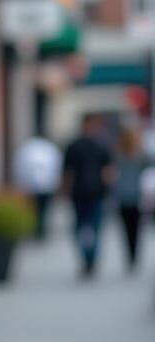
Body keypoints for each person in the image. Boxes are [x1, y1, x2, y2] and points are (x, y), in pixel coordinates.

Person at [62, 113, 113, 277]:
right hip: (88, 192)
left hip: (87, 192)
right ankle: (89, 260)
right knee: (90, 227)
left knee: (84, 227)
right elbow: (108, 173)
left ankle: (89, 260)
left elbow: (68, 173)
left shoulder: (75, 145)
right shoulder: (99, 145)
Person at [112, 126, 148, 270]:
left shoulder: (118, 155)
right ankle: (134, 256)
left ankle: (130, 257)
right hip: (137, 197)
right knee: (136, 230)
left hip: (123, 197)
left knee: (127, 230)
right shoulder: (140, 156)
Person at [13, 133, 62, 239]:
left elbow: (20, 167)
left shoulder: (27, 149)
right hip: (45, 185)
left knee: (35, 209)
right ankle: (40, 229)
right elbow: (56, 166)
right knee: (43, 209)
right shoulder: (48, 149)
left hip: (34, 185)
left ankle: (38, 229)